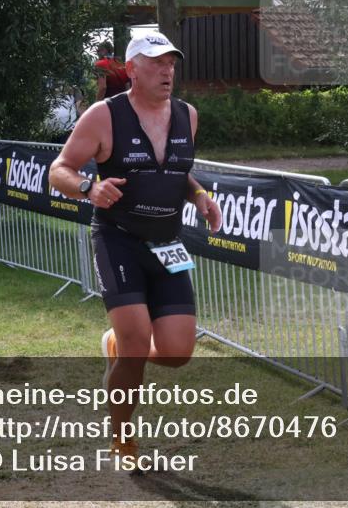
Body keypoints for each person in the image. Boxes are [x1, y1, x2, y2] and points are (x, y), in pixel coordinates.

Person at [49, 31, 221, 463]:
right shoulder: (103, 116)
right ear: (132, 69)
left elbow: (176, 172)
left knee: (178, 353)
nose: (167, 71)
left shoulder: (187, 115)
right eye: (157, 63)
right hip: (118, 240)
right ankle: (123, 438)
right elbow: (59, 170)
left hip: (167, 244)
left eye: (171, 63)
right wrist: (89, 188)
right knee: (136, 344)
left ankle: (114, 344)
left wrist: (199, 195)